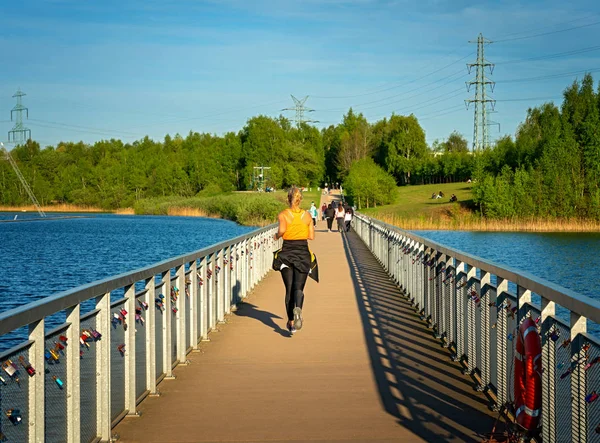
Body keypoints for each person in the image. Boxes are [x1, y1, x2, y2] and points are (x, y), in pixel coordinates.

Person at [274, 187, 315, 334]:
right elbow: (311, 236)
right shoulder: (308, 216)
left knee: (289, 289)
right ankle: (299, 310)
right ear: (300, 199)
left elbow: (282, 231)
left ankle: (291, 322)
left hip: (287, 253)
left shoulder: (283, 214)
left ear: (288, 198)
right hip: (303, 253)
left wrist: (276, 236)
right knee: (298, 288)